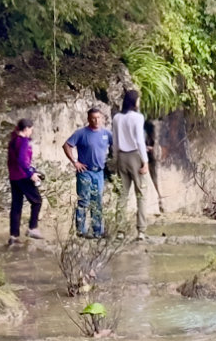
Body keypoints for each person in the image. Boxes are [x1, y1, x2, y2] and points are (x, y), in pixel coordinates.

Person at [109, 88, 162, 238]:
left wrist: (115, 158)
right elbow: (139, 140)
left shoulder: (117, 118)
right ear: (134, 101)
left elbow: (116, 141)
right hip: (135, 157)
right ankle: (141, 230)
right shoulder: (138, 117)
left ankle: (120, 231)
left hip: (121, 157)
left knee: (122, 195)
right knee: (141, 194)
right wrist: (145, 162)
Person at [62, 107, 112, 239]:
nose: (96, 120)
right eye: (93, 118)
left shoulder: (106, 134)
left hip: (99, 172)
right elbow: (66, 145)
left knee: (98, 201)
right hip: (85, 172)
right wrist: (75, 162)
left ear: (102, 118)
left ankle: (97, 231)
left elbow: (115, 146)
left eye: (98, 118)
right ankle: (81, 230)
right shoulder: (81, 133)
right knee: (84, 200)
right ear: (88, 119)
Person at [7, 118, 44, 245]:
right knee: (37, 201)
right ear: (27, 129)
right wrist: (31, 174)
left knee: (16, 206)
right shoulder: (24, 142)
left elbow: (15, 161)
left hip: (14, 177)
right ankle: (32, 228)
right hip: (23, 176)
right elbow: (22, 160)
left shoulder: (13, 141)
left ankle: (13, 236)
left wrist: (33, 170)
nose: (31, 132)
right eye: (31, 130)